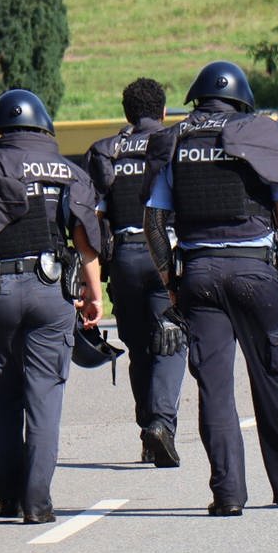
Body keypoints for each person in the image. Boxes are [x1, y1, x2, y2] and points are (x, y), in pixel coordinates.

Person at [140, 60, 278, 517]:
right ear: (242, 99)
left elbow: (154, 223)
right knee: (269, 378)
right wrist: (265, 225)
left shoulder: (177, 140)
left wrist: (172, 286)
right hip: (253, 271)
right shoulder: (260, 132)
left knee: (215, 389)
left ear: (198, 99)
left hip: (198, 274)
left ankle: (227, 495)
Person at [0, 89, 104, 525]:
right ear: (43, 127)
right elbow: (86, 245)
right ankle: (36, 502)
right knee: (44, 398)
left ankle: (8, 497)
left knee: (4, 396)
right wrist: (94, 295)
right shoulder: (69, 172)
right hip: (52, 295)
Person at [84, 78, 188, 467]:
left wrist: (91, 278)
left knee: (141, 349)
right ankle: (161, 424)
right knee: (172, 340)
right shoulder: (174, 141)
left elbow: (93, 219)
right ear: (163, 111)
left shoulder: (104, 151)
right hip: (166, 253)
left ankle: (148, 431)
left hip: (124, 259)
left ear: (127, 113)